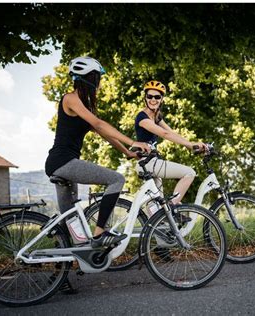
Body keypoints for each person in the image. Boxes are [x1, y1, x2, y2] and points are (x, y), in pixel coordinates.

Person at [45, 56, 150, 248]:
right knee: (116, 179)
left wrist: (127, 151)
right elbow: (99, 123)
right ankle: (100, 233)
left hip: (63, 163)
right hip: (63, 162)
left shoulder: (83, 106)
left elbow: (103, 132)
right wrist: (134, 141)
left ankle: (61, 271)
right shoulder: (70, 99)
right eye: (98, 80)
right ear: (90, 78)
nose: (99, 85)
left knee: (70, 221)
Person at [134, 80, 206, 211]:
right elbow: (165, 134)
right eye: (150, 96)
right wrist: (190, 145)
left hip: (152, 162)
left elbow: (172, 133)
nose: (153, 100)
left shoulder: (156, 117)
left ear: (162, 99)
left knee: (155, 205)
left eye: (157, 97)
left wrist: (192, 144)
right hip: (148, 163)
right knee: (189, 173)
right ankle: (171, 208)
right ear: (145, 98)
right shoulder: (142, 118)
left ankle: (156, 226)